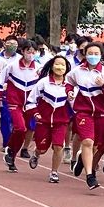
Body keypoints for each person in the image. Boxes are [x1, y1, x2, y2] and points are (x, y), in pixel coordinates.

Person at [66, 42, 104, 190]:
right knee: (87, 141)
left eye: (96, 54)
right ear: (85, 54)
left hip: (101, 113)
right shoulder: (78, 71)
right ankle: (90, 176)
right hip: (84, 112)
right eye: (90, 53)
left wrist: (103, 86)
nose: (93, 56)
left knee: (95, 145)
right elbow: (68, 82)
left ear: (101, 55)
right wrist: (69, 91)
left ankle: (82, 160)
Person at [26, 56, 74, 184]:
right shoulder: (43, 83)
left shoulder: (69, 86)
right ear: (52, 66)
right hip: (44, 122)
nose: (60, 67)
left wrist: (72, 100)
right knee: (42, 148)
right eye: (57, 64)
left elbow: (75, 105)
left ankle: (54, 172)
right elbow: (30, 101)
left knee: (58, 146)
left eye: (63, 65)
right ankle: (36, 154)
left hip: (61, 122)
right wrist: (36, 114)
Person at [0, 40, 40, 172]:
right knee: (20, 128)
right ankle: (11, 150)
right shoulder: (12, 66)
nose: (31, 54)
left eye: (33, 52)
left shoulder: (39, 68)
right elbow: (0, 81)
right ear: (22, 51)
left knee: (27, 130)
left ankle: (11, 154)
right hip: (14, 102)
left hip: (30, 104)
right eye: (28, 51)